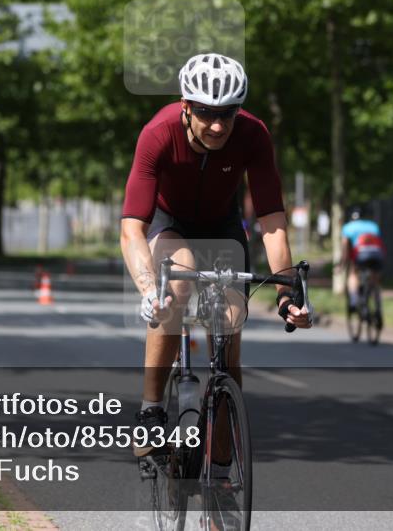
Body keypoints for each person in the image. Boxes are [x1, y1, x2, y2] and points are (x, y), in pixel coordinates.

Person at [119, 53, 311, 462]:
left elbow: (272, 220)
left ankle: (222, 466)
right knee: (180, 278)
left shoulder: (253, 135)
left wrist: (285, 293)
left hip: (222, 224)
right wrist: (148, 290)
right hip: (170, 222)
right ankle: (151, 409)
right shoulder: (159, 133)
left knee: (228, 332)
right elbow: (132, 227)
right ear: (186, 106)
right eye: (206, 113)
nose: (218, 125)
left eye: (228, 113)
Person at [338, 206, 385, 315]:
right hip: (377, 254)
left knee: (353, 272)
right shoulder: (373, 226)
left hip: (361, 254)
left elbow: (345, 250)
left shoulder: (348, 227)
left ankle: (354, 301)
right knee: (374, 276)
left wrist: (342, 264)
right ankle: (375, 298)